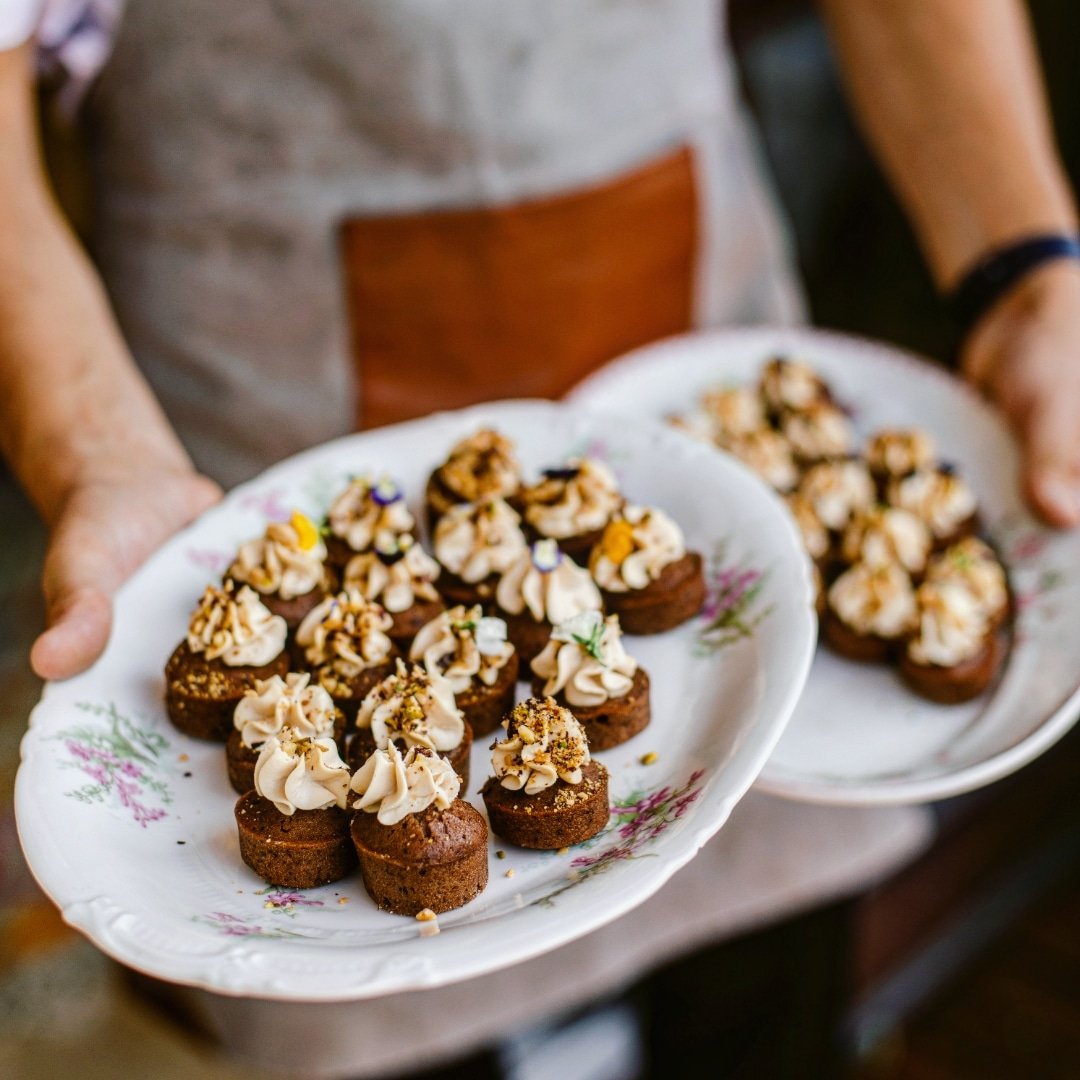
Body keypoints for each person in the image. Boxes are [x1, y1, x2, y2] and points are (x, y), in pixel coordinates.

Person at [1, 1, 1078, 1076]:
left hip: (685, 334)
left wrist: (1022, 261)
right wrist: (97, 450)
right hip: (262, 411)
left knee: (760, 1010)